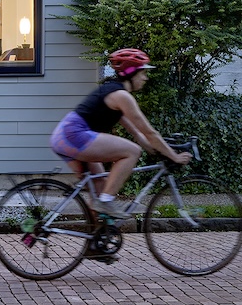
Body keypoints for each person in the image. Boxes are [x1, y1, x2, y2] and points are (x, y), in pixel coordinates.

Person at [50, 48, 193, 219]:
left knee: (101, 186)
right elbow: (150, 132)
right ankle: (106, 200)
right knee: (132, 152)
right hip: (75, 135)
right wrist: (174, 157)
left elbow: (138, 134)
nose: (146, 78)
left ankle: (96, 239)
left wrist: (154, 149)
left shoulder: (112, 91)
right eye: (143, 73)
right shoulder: (122, 96)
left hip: (63, 136)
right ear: (131, 73)